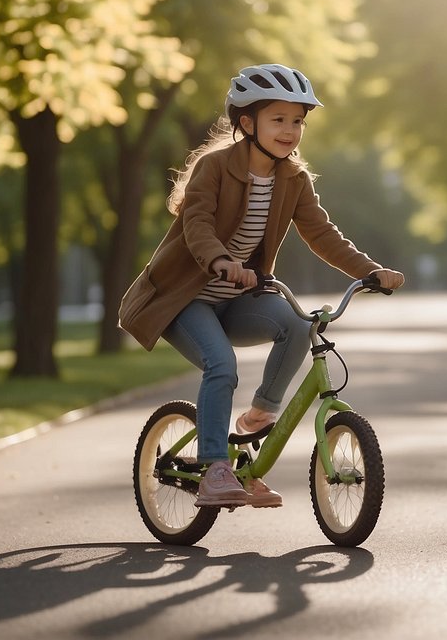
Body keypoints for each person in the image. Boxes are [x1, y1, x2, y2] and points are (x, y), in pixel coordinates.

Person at [118, 63, 405, 509]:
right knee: (222, 365)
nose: (290, 130)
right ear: (247, 123)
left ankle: (259, 416)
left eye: (297, 121)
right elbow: (196, 225)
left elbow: (323, 234)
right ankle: (215, 469)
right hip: (183, 299)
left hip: (235, 300)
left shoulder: (293, 180)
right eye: (279, 119)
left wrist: (370, 270)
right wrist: (220, 260)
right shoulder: (213, 168)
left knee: (297, 323)